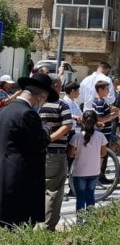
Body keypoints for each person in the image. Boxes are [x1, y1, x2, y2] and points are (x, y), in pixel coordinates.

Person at [0, 73, 56, 228]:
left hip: (5, 175)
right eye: (44, 99)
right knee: (19, 226)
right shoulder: (28, 113)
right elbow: (39, 143)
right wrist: (46, 130)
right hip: (21, 180)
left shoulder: (5, 110)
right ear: (40, 97)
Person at [38, 77, 73, 231]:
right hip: (55, 153)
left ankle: (35, 224)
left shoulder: (38, 104)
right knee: (53, 190)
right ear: (56, 86)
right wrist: (49, 139)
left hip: (38, 153)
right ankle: (47, 227)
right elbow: (67, 125)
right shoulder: (61, 105)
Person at [68, 111, 108, 212]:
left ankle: (80, 219)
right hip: (94, 171)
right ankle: (91, 219)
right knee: (90, 196)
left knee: (80, 198)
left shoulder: (76, 137)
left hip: (79, 172)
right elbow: (104, 153)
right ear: (96, 122)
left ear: (82, 121)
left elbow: (70, 154)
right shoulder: (101, 136)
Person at [90, 80, 120, 183]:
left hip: (104, 133)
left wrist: (110, 110)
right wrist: (113, 116)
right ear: (100, 90)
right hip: (102, 133)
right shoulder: (99, 102)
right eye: (106, 89)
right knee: (102, 155)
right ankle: (99, 177)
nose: (108, 91)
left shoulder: (101, 101)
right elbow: (100, 119)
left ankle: (100, 176)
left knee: (104, 155)